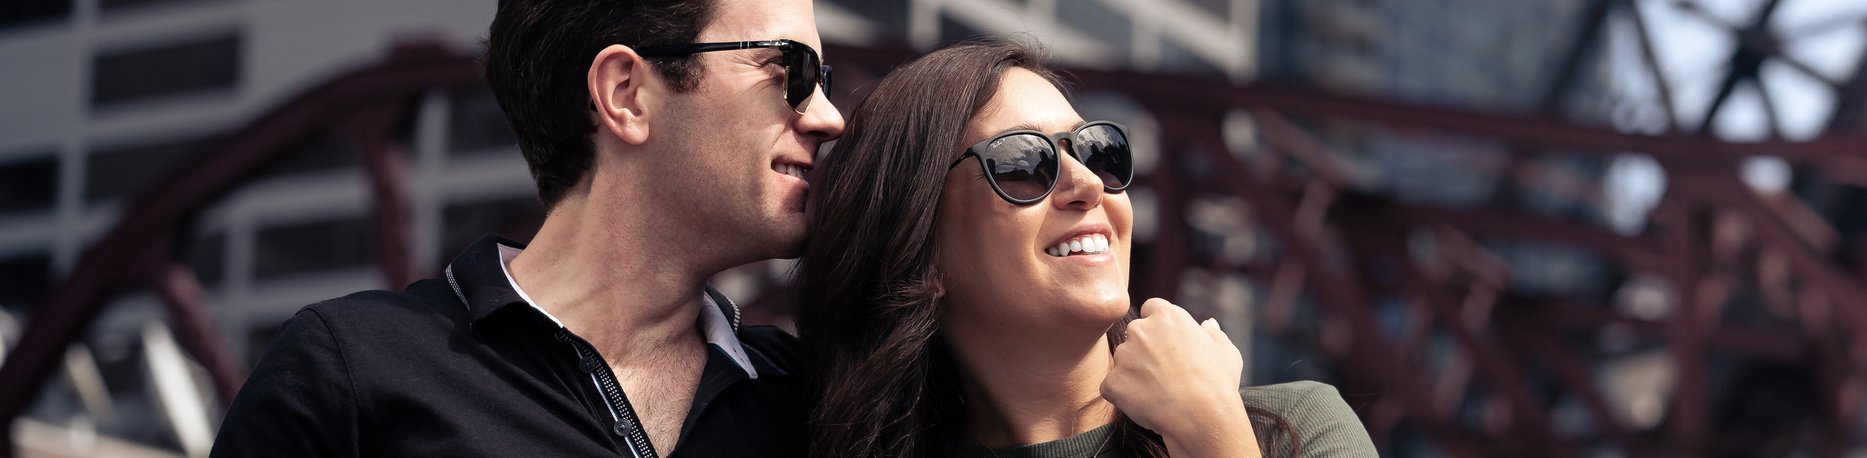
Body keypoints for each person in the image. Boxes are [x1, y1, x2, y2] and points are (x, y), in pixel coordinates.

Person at [211, 0, 844, 455]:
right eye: (790, 71)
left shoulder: (814, 402)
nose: (829, 117)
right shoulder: (351, 369)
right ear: (626, 93)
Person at [796, 37, 1379, 457]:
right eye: (1023, 163)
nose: (1089, 183)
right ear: (920, 245)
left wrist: (1210, 434)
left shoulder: (1294, 431)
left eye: (1100, 151)